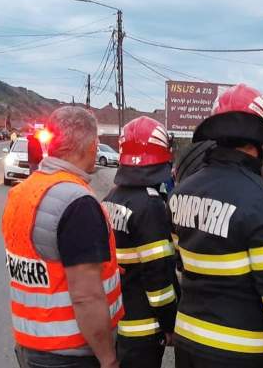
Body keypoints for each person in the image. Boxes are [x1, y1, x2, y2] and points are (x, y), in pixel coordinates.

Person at [169, 84, 263, 368]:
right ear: (260, 140)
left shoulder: (180, 192)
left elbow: (182, 262)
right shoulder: (261, 200)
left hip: (188, 341)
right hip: (239, 352)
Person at [1, 106, 123, 368]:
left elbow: (43, 261)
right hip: (71, 354)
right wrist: (108, 358)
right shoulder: (77, 202)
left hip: (30, 345)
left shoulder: (23, 191)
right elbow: (86, 296)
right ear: (91, 146)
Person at [102, 117, 178, 368]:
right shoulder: (150, 205)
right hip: (142, 330)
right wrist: (169, 323)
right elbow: (158, 278)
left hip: (115, 320)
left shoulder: (112, 196)